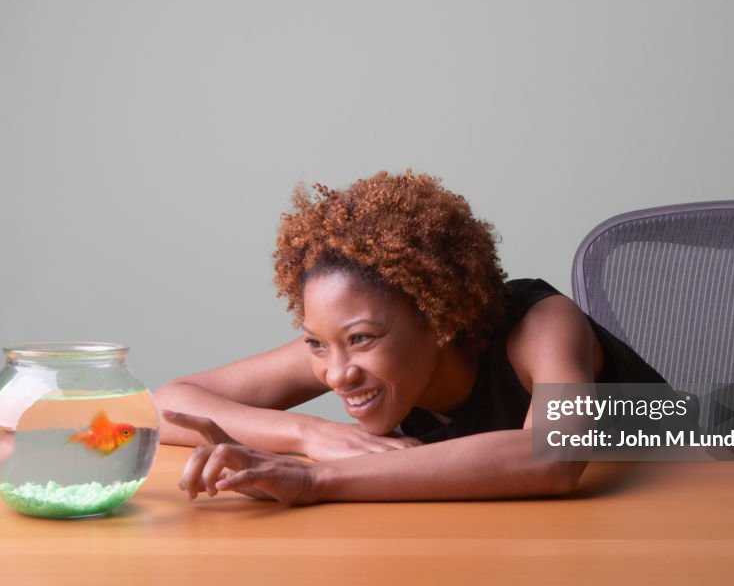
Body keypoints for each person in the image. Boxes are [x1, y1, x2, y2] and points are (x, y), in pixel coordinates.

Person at [155, 170, 666, 505]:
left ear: (439, 317)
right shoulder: (342, 348)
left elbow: (551, 457)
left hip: (696, 498)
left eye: (361, 340)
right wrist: (308, 436)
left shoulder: (543, 324)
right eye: (316, 343)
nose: (336, 374)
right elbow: (162, 405)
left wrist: (314, 479)